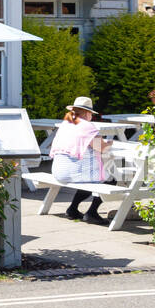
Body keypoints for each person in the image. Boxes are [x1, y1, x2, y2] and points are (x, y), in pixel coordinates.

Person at [48, 96, 111, 224]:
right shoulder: (87, 126)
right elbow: (103, 148)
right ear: (87, 113)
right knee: (111, 176)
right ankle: (92, 212)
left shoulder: (67, 122)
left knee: (88, 173)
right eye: (91, 114)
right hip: (73, 172)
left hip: (58, 171)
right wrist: (111, 143)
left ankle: (73, 209)